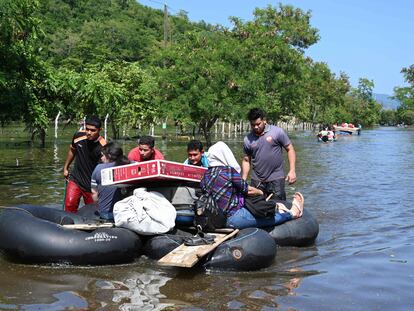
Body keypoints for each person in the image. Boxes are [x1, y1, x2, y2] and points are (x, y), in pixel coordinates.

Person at [201, 141, 304, 229]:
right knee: (267, 219)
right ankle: (291, 214)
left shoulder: (205, 174)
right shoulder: (228, 171)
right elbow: (247, 190)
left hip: (214, 219)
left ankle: (277, 208)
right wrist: (261, 192)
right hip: (233, 218)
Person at [242, 108, 296, 201]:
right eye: (253, 125)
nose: (255, 127)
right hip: (257, 181)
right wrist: (243, 180)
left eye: (258, 124)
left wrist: (292, 170)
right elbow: (246, 160)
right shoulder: (248, 139)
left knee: (279, 207)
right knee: (256, 208)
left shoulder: (277, 132)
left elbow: (290, 149)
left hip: (276, 179)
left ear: (264, 120)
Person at [63, 116, 106, 213]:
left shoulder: (103, 146)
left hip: (92, 185)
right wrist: (66, 168)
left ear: (100, 130)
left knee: (92, 211)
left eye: (93, 130)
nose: (89, 132)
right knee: (69, 205)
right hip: (76, 179)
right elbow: (72, 151)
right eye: (87, 129)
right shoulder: (78, 136)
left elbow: (105, 168)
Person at [91, 142, 130, 221]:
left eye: (102, 155)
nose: (101, 158)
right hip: (125, 213)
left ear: (108, 156)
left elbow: (94, 194)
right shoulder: (129, 164)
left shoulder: (98, 168)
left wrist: (98, 207)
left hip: (106, 214)